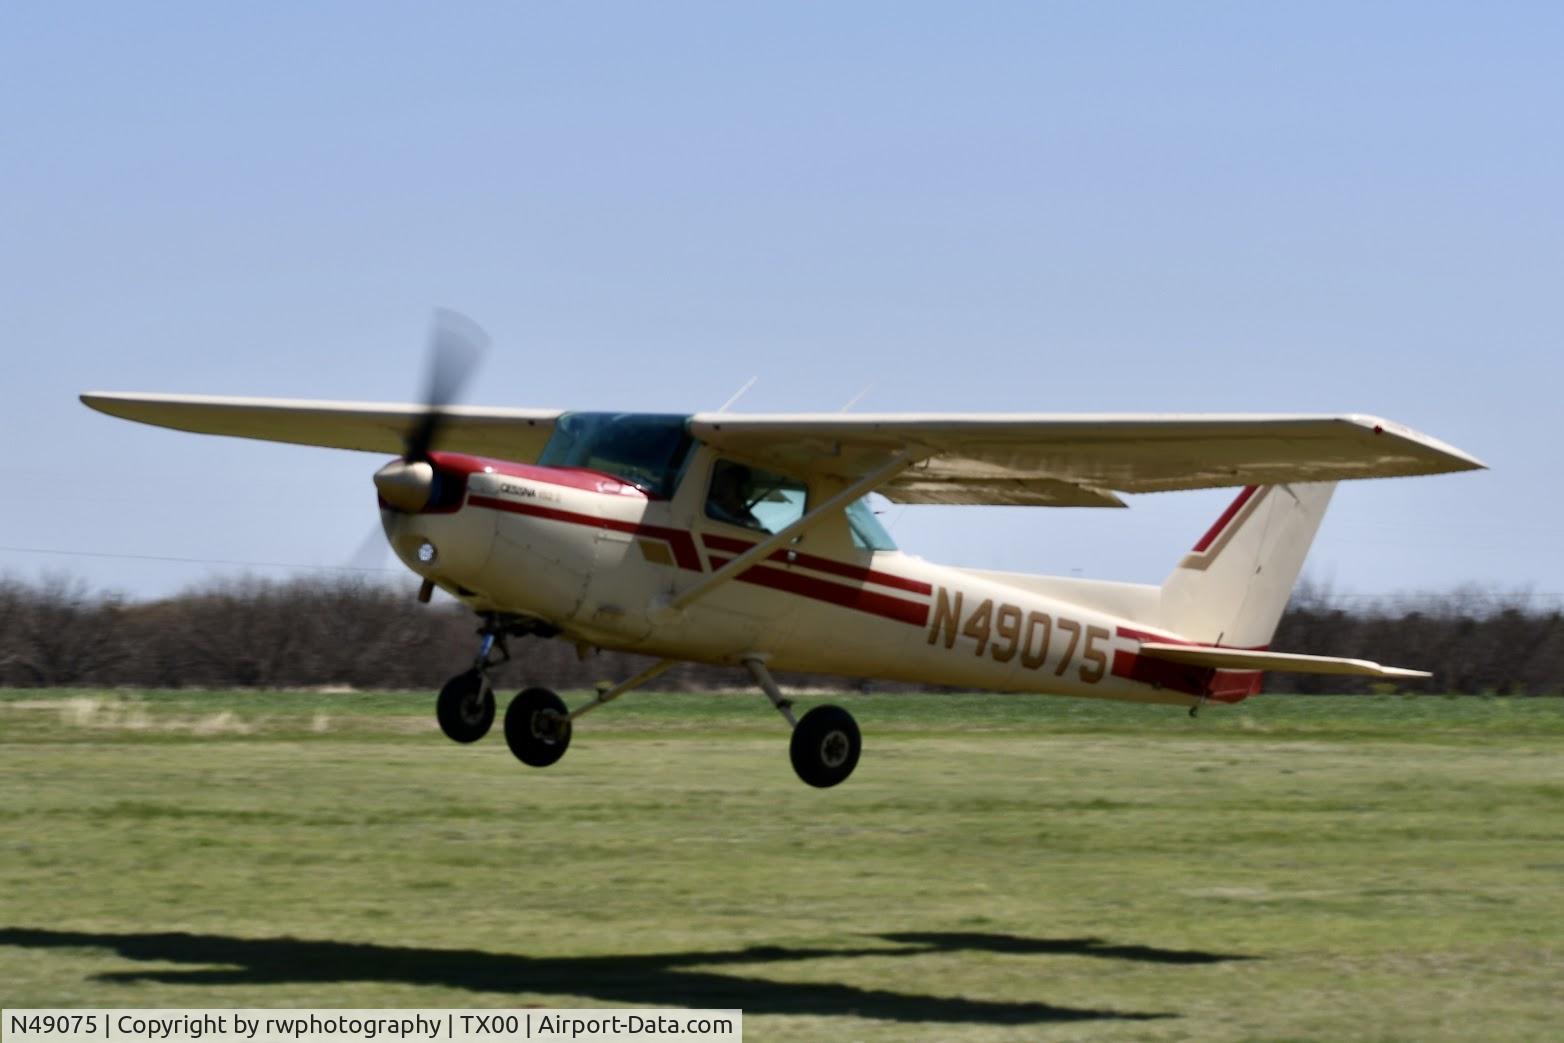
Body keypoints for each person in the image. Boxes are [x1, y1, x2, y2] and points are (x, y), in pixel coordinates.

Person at [706, 463, 764, 530]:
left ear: (741, 490)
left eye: (726, 485)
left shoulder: (750, 521)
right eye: (719, 484)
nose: (719, 489)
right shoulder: (709, 508)